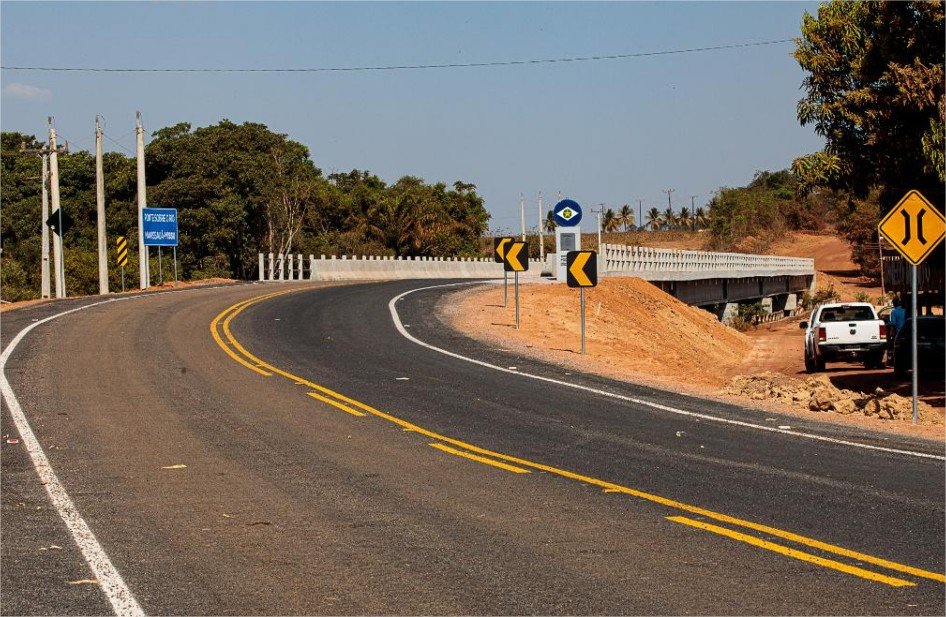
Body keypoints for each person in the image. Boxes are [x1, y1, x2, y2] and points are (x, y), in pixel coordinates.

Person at [887, 297, 906, 365]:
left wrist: (888, 325)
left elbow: (893, 323)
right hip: (907, 333)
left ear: (894, 304)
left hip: (899, 333)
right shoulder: (905, 311)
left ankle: (893, 360)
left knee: (893, 346)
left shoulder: (894, 312)